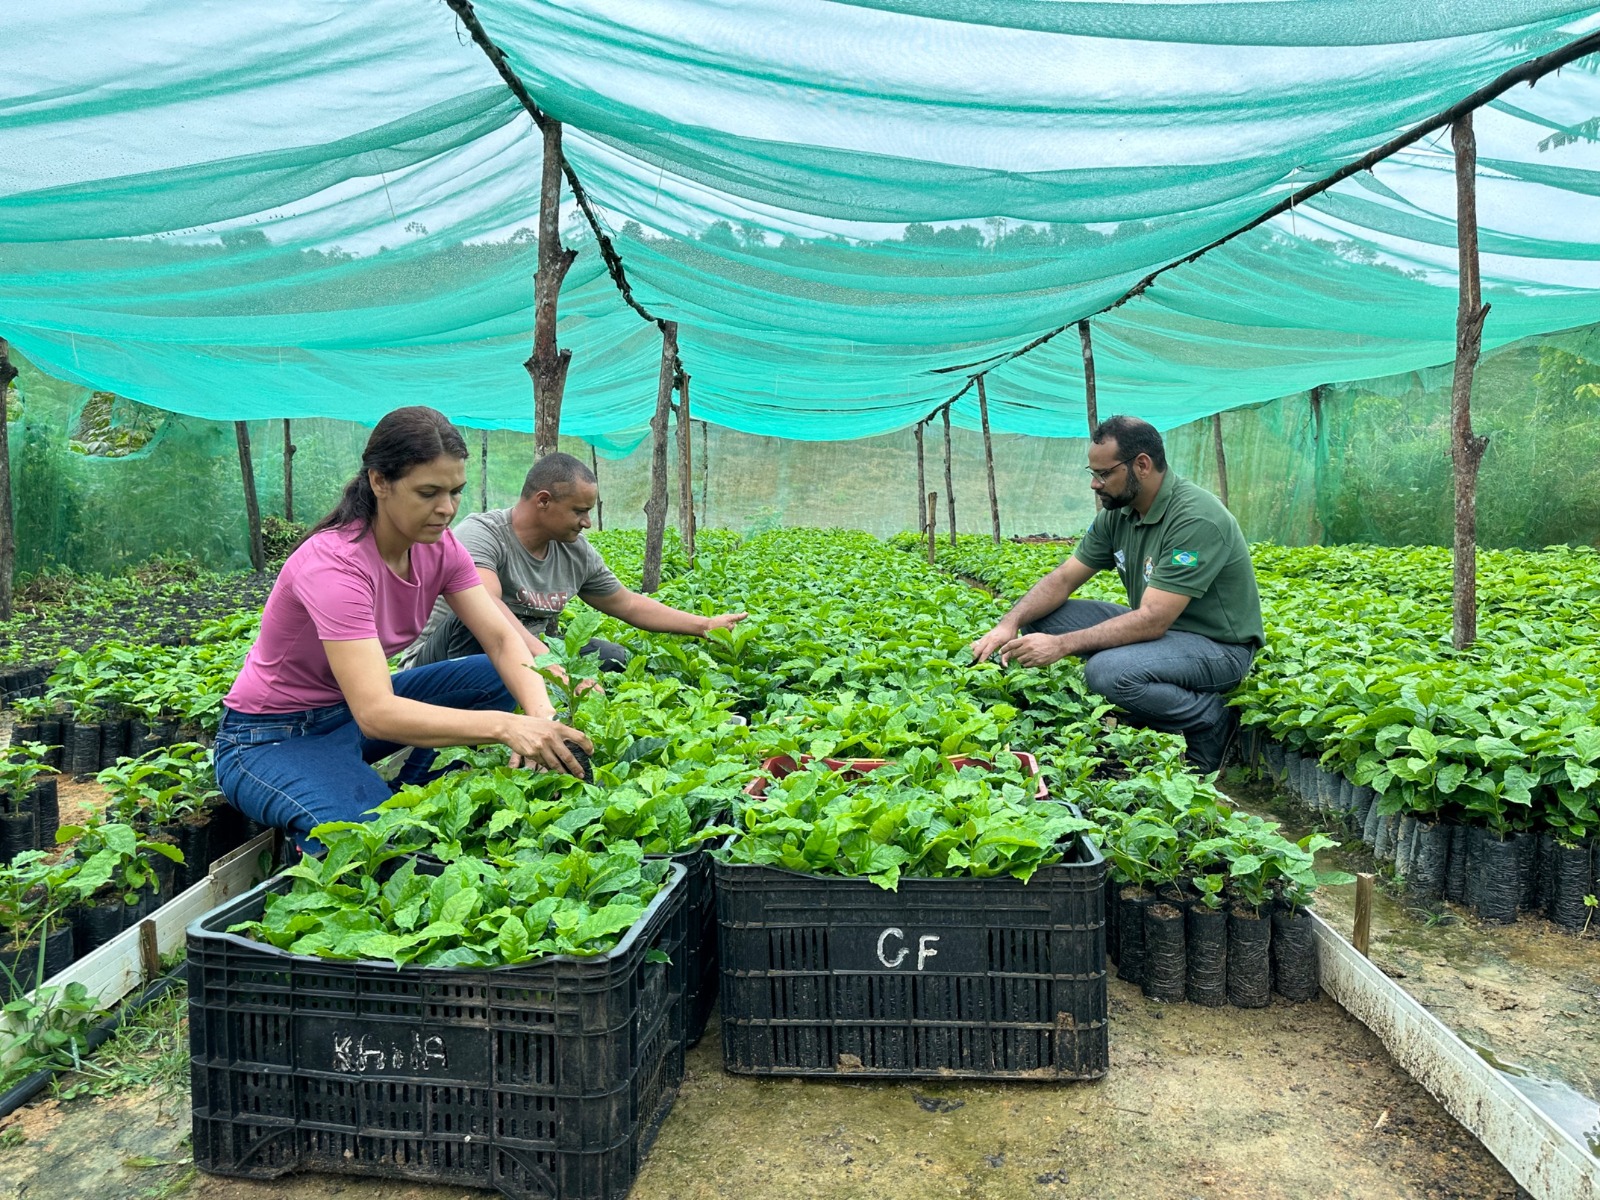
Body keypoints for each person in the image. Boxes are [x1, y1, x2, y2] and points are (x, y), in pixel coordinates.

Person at [213, 407, 591, 851]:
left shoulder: (439, 547)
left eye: (455, 491)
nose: (447, 509)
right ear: (379, 482)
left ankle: (405, 788)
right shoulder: (335, 566)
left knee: (493, 676)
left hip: (345, 717)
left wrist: (540, 716)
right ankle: (344, 810)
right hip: (271, 738)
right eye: (428, 492)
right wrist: (507, 728)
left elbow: (502, 638)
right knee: (367, 840)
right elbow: (376, 711)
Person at [970, 415, 1263, 774]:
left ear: (1142, 465)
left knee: (1107, 673)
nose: (1095, 484)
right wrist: (1009, 623)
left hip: (1217, 648)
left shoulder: (1195, 518)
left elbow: (1154, 619)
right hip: (1167, 635)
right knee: (1041, 618)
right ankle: (1143, 706)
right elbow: (1063, 578)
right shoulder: (1119, 512)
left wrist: (1061, 646)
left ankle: (1210, 717)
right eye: (1092, 473)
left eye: (1104, 473)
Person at [397, 451, 747, 674]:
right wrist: (551, 666)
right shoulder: (483, 533)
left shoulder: (575, 550)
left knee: (611, 656)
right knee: (475, 622)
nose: (587, 522)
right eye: (579, 511)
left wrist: (703, 624)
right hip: (439, 662)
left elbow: (625, 602)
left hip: (527, 656)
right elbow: (486, 607)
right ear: (544, 501)